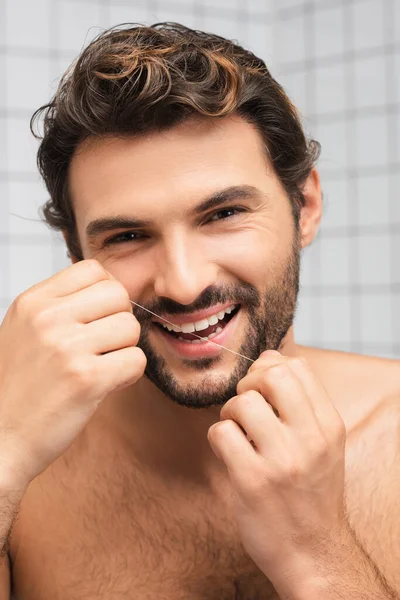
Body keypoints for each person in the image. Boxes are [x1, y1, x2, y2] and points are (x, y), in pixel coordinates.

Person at [0, 22, 399, 600]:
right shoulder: (25, 474)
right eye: (129, 235)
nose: (184, 286)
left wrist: (319, 556)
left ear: (304, 206)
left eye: (223, 215)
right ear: (75, 255)